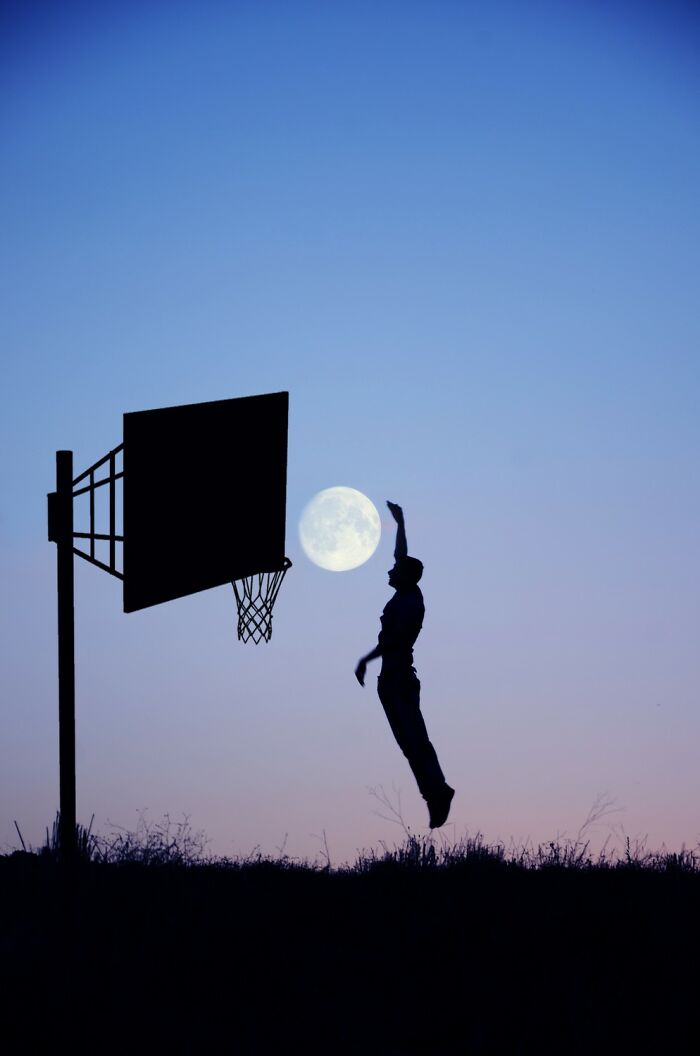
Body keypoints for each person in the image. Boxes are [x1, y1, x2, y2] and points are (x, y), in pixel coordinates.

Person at [355, 501, 454, 828]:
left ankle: (438, 793)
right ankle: (435, 794)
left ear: (406, 577)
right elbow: (401, 556)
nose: (389, 571)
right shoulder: (405, 593)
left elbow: (394, 642)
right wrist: (400, 524)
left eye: (394, 570)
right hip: (390, 680)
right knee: (408, 744)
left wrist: (365, 660)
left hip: (399, 678)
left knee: (415, 740)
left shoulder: (412, 601)